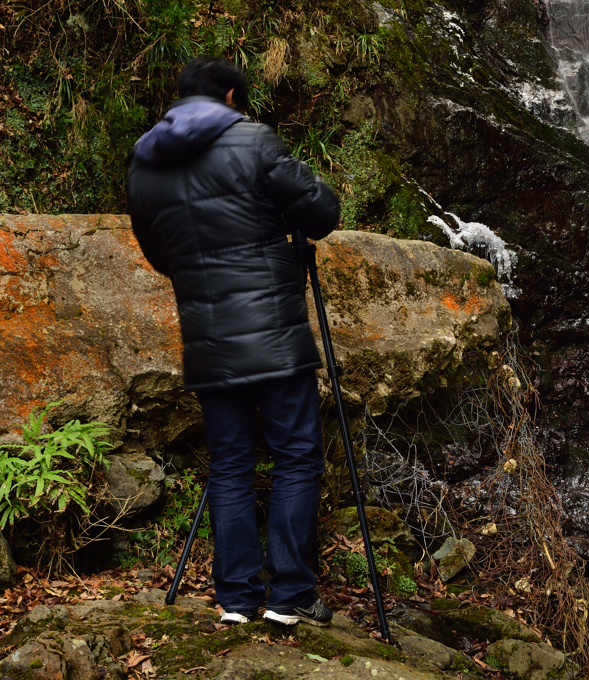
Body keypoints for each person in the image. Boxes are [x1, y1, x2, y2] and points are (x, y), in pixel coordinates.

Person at [126, 56, 340, 627]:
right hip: (274, 330)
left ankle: (238, 601)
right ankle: (291, 596)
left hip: (207, 338)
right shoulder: (252, 140)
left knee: (228, 464)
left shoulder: (144, 162)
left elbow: (157, 255)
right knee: (296, 456)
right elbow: (322, 213)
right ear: (229, 97)